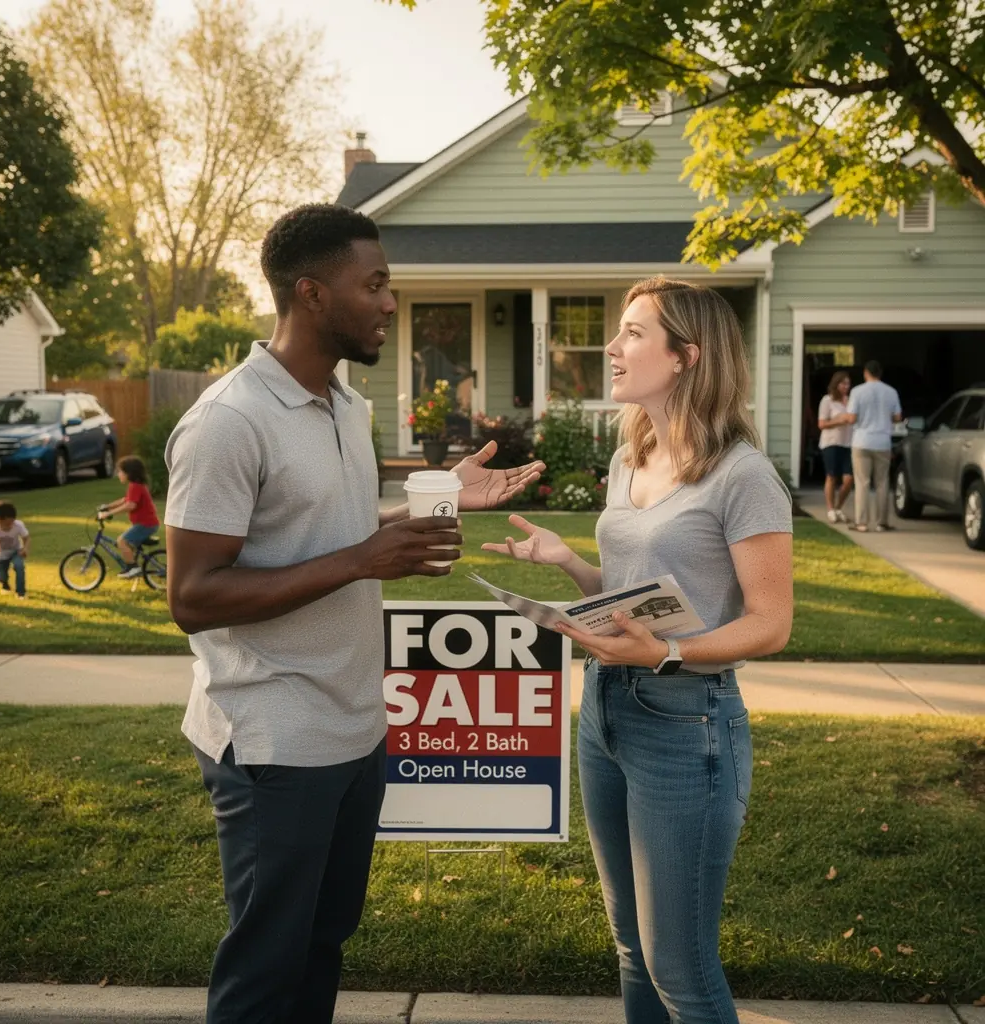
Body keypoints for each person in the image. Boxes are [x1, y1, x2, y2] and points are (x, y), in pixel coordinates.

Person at [163, 203, 544, 1024]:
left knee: (323, 944)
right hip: (272, 738)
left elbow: (331, 530)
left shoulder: (346, 405)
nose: (389, 303)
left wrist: (436, 505)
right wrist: (365, 560)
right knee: (266, 971)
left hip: (355, 729)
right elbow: (192, 597)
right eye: (373, 286)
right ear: (311, 294)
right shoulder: (228, 423)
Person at [483, 277, 793, 1024]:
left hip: (688, 723)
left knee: (680, 969)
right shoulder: (632, 457)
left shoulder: (744, 475)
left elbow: (771, 623)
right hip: (606, 708)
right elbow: (632, 599)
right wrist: (567, 563)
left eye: (632, 333)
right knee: (631, 948)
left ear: (686, 355)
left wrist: (664, 656)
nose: (610, 347)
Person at [844, 360, 903, 533]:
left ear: (865, 373)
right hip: (882, 441)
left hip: (862, 440)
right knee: (882, 482)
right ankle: (881, 522)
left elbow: (852, 418)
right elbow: (898, 417)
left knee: (862, 482)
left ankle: (862, 523)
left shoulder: (857, 391)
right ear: (880, 373)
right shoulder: (891, 391)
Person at [98, 455, 160, 578]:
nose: (118, 475)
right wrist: (107, 507)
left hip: (146, 524)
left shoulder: (135, 486)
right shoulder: (135, 485)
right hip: (146, 523)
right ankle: (132, 565)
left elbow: (130, 505)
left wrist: (108, 513)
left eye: (120, 472)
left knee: (122, 541)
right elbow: (125, 500)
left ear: (128, 473)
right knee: (127, 544)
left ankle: (133, 568)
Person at [817, 370, 854, 522]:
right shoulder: (827, 400)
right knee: (831, 476)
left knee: (849, 479)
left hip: (848, 443)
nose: (846, 386)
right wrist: (839, 420)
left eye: (848, 384)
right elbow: (822, 424)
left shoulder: (851, 401)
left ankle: (838, 507)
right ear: (836, 384)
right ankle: (831, 509)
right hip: (831, 443)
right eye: (843, 383)